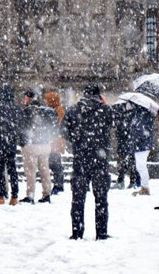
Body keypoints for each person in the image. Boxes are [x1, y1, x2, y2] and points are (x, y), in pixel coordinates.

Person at [63, 84, 117, 240]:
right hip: (100, 159)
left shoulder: (73, 110)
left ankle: (77, 232)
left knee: (77, 198)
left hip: (80, 158)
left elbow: (64, 130)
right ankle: (101, 232)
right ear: (99, 95)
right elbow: (114, 124)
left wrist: (76, 141)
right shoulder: (105, 110)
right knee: (101, 199)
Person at [20, 89, 58, 204]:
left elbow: (22, 128)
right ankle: (47, 194)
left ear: (28, 98)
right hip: (45, 145)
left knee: (30, 172)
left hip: (32, 145)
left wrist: (22, 142)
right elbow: (52, 125)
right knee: (45, 171)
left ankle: (30, 195)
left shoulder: (27, 111)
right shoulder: (46, 111)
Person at [0, 84, 25, 206]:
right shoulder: (17, 108)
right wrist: (21, 140)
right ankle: (14, 196)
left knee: (0, 170)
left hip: (0, 141)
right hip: (11, 142)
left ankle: (1, 195)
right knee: (12, 170)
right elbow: (21, 126)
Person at [126, 103, 155, 197]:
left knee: (141, 166)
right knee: (140, 166)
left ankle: (145, 187)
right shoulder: (138, 114)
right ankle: (144, 186)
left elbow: (142, 131)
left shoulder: (144, 115)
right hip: (139, 145)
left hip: (142, 145)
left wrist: (135, 137)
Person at [44, 91, 67, 195]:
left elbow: (59, 124)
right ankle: (58, 183)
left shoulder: (58, 110)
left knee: (55, 163)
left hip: (56, 139)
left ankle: (59, 185)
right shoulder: (53, 109)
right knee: (54, 162)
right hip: (53, 139)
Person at [114, 103, 140, 191]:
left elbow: (122, 129)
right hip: (129, 142)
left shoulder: (128, 115)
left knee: (126, 161)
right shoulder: (133, 114)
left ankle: (123, 181)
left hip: (126, 142)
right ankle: (130, 181)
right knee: (129, 162)